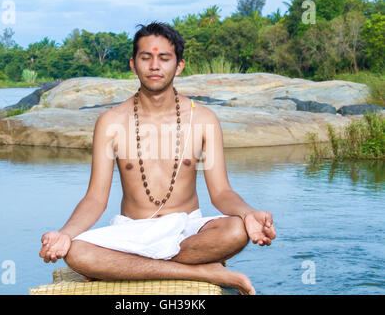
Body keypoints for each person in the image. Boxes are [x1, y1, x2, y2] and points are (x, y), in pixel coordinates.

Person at [39, 22, 276, 295]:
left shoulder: (203, 119)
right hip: (132, 232)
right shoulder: (111, 122)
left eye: (164, 58)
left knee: (235, 230)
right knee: (77, 252)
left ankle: (127, 268)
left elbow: (221, 192)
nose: (154, 66)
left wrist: (248, 214)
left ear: (179, 66)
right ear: (133, 64)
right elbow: (95, 198)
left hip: (187, 230)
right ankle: (199, 271)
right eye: (146, 57)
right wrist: (65, 233)